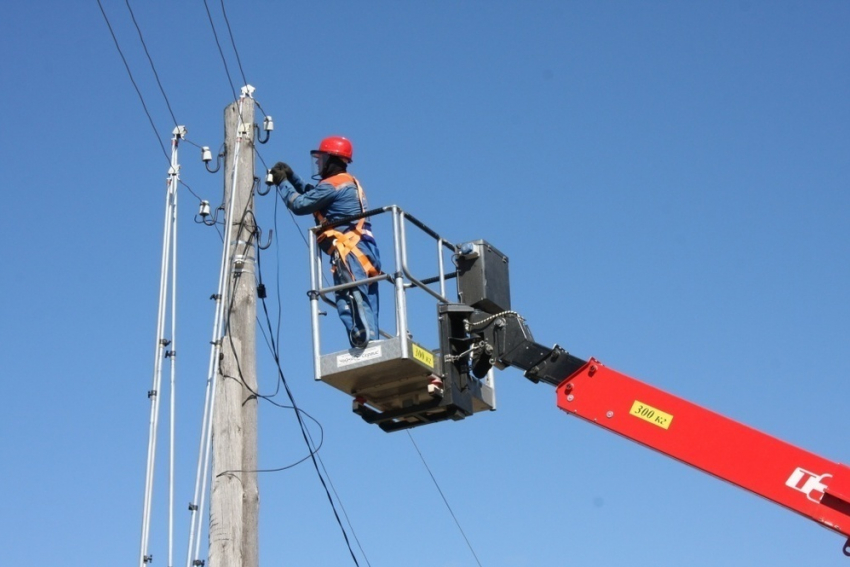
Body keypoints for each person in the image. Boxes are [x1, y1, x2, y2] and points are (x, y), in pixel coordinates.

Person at [270, 136, 381, 348]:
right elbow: (316, 195)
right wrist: (293, 178)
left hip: (349, 250)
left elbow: (301, 204)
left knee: (351, 297)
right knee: (365, 299)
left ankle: (365, 344)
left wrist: (282, 183)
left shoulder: (333, 185)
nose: (318, 164)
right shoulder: (346, 183)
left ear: (332, 160)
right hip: (365, 249)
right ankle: (371, 340)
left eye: (321, 159)